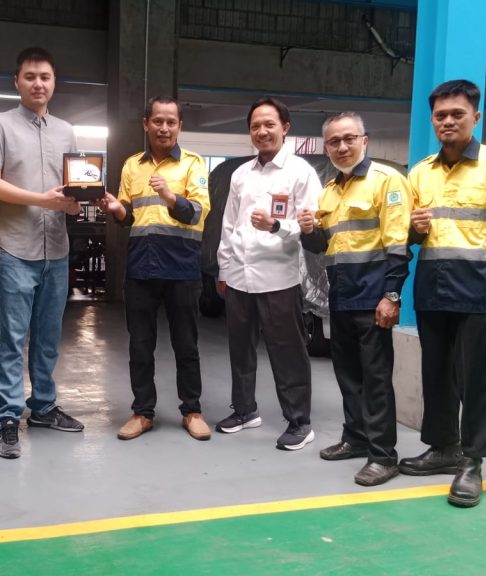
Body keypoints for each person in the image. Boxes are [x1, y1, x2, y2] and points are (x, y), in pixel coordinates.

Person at [399, 79, 486, 507]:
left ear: (476, 117)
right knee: (437, 375)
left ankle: (473, 461)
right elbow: (407, 234)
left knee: (479, 380)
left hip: (479, 290)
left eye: (457, 114)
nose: (448, 121)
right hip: (432, 288)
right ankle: (443, 448)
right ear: (432, 121)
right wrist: (413, 230)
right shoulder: (420, 172)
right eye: (440, 115)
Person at [0, 47, 84, 459]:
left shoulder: (66, 131)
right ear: (17, 82)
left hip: (56, 248)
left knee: (48, 337)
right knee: (12, 337)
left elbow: (73, 185)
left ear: (54, 82)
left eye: (45, 77)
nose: (38, 83)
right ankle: (7, 417)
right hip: (16, 249)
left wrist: (75, 203)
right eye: (30, 76)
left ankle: (42, 406)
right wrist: (42, 199)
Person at [299, 112, 411, 486]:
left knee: (376, 379)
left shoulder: (386, 181)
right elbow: (321, 247)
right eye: (334, 141)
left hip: (373, 297)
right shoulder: (330, 191)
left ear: (365, 140)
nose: (342, 147)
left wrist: (392, 295)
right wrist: (308, 230)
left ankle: (383, 455)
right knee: (347, 374)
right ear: (326, 147)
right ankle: (356, 438)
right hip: (341, 296)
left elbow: (398, 244)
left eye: (349, 138)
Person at [94, 96, 212, 441]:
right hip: (141, 267)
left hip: (182, 267)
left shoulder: (193, 164)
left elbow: (198, 212)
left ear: (180, 126)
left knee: (186, 345)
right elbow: (128, 217)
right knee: (140, 346)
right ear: (146, 124)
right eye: (157, 121)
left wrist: (171, 197)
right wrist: (115, 208)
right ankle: (142, 413)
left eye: (171, 122)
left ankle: (192, 411)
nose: (164, 128)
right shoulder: (132, 165)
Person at [215, 97, 322, 451]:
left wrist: (277, 225)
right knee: (240, 348)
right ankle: (245, 410)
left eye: (269, 124)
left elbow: (311, 226)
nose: (262, 131)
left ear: (285, 128)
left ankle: (299, 421)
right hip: (239, 276)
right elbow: (229, 225)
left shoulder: (300, 172)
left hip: (279, 277)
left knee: (287, 351)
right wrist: (224, 268)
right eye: (255, 126)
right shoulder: (241, 174)